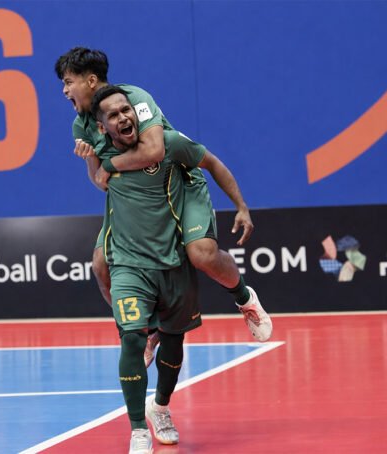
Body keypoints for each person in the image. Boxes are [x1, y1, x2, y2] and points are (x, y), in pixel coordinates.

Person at [54, 47, 273, 352]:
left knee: (202, 255)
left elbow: (155, 150)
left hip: (178, 182)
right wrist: (93, 161)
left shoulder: (134, 99)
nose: (65, 91)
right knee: (100, 265)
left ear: (90, 81)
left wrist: (109, 164)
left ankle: (245, 298)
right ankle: (146, 330)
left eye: (68, 82)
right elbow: (101, 183)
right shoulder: (82, 125)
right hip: (135, 198)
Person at [91, 85, 208, 454]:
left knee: (174, 340)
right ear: (102, 127)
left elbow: (209, 163)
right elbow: (96, 175)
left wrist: (240, 206)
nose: (122, 117)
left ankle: (160, 407)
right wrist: (94, 159)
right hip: (129, 264)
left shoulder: (167, 144)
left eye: (126, 110)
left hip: (172, 258)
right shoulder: (99, 149)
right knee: (131, 337)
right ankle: (138, 429)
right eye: (112, 115)